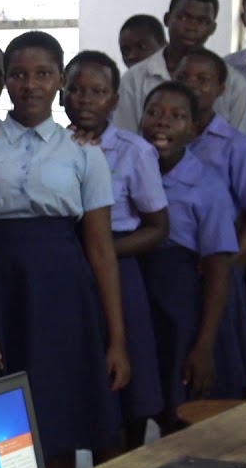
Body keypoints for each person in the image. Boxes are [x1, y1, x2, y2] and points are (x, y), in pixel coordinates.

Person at [0, 31, 129, 468]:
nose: (30, 85)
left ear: (60, 80)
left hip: (63, 295)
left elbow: (99, 247)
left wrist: (116, 339)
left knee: (57, 419)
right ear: (4, 80)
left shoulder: (83, 151)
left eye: (43, 74)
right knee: (5, 427)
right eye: (18, 74)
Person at [64, 50, 169, 447]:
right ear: (61, 94)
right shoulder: (55, 146)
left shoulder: (134, 151)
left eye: (97, 91)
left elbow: (159, 228)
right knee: (82, 382)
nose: (86, 99)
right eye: (75, 89)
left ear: (114, 99)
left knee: (127, 388)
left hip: (118, 269)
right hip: (71, 274)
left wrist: (104, 252)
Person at [138, 82, 239, 431]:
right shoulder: (126, 170)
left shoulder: (207, 186)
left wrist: (204, 345)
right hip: (136, 296)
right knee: (133, 405)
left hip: (181, 305)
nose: (162, 123)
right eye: (153, 113)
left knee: (179, 405)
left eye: (177, 116)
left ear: (194, 129)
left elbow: (217, 266)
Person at [175, 47, 246, 395]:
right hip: (172, 269)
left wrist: (231, 258)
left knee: (213, 370)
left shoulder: (234, 145)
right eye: (185, 77)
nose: (194, 86)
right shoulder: (158, 138)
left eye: (204, 80)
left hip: (214, 265)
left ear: (221, 89)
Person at [113, 0, 246, 133]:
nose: (191, 27)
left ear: (212, 28)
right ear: (167, 19)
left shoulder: (233, 83)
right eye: (183, 17)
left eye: (202, 21)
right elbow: (125, 141)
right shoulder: (134, 79)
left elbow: (235, 144)